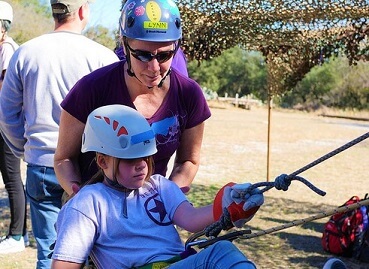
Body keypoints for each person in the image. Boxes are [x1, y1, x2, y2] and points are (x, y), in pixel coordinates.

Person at [51, 104, 264, 269]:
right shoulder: (88, 203)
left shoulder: (159, 186)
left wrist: (227, 205)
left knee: (220, 252)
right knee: (221, 253)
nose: (141, 166)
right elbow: (64, 264)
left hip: (178, 262)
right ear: (103, 161)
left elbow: (191, 219)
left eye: (145, 157)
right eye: (129, 159)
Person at [0, 0, 119, 267]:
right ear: (82, 10)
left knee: (50, 253)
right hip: (89, 166)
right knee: (94, 252)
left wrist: (26, 148)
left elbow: (6, 113)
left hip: (41, 162)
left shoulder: (26, 52)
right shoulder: (102, 57)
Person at [54, 0, 211, 197]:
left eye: (164, 55)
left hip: (150, 213)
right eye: (143, 55)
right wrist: (80, 196)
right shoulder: (92, 88)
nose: (154, 68)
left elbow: (188, 161)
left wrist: (168, 199)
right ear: (126, 46)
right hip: (93, 212)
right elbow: (63, 158)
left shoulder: (189, 94)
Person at [0, 0, 28, 254]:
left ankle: (17, 236)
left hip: (6, 126)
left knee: (12, 179)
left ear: (3, 27)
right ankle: (18, 235)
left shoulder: (7, 50)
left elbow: (6, 91)